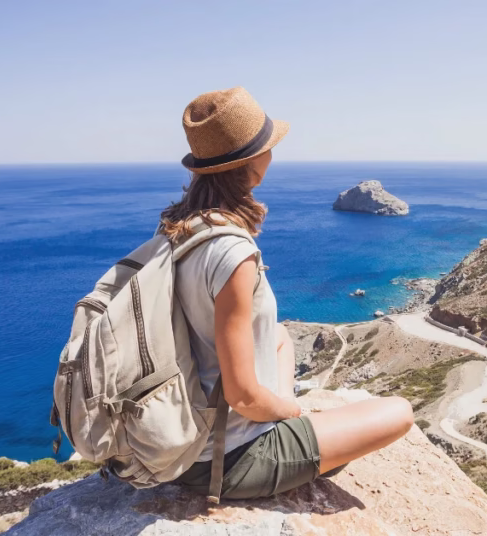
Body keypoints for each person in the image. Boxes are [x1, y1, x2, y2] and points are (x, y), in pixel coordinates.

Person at [161, 87, 414, 499]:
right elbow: (242, 395)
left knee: (278, 335)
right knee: (399, 412)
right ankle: (280, 433)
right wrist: (291, 411)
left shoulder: (178, 229)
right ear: (253, 163)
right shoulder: (233, 252)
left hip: (182, 435)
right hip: (225, 458)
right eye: (269, 144)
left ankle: (276, 424)